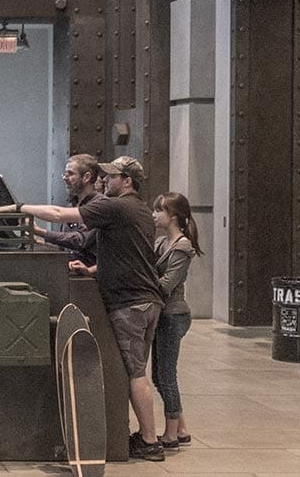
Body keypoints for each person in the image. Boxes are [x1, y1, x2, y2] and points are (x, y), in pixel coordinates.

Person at [78, 156, 167, 462]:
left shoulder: (117, 206)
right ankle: (150, 435)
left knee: (135, 373)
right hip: (146, 300)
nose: (105, 181)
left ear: (127, 181)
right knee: (138, 369)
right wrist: (93, 270)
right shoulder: (141, 210)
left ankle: (150, 440)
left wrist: (20, 210)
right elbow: (130, 255)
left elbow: (62, 214)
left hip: (130, 304)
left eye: (112, 177)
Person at [149, 191, 201, 451]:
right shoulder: (162, 242)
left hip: (174, 315)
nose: (155, 214)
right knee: (159, 376)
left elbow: (166, 285)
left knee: (166, 376)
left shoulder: (182, 247)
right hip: (163, 314)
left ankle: (170, 433)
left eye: (160, 210)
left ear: (174, 216)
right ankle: (181, 428)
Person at [8, 153, 101, 271]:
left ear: (86, 177)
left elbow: (78, 241)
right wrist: (39, 242)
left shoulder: (98, 207)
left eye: (70, 174)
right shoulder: (72, 205)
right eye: (65, 174)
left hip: (89, 278)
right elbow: (65, 248)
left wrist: (39, 231)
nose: (65, 178)